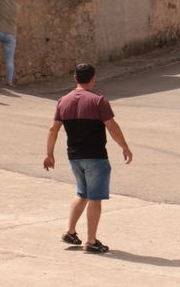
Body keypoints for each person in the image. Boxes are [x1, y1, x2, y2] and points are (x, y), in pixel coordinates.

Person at [43, 63, 132, 253]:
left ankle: (69, 231)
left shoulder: (63, 101)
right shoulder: (98, 101)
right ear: (93, 79)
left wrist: (49, 154)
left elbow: (53, 129)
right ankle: (91, 241)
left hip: (74, 157)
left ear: (75, 78)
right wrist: (124, 146)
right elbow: (111, 126)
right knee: (94, 198)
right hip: (96, 157)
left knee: (82, 193)